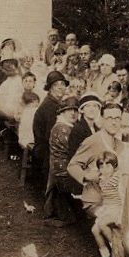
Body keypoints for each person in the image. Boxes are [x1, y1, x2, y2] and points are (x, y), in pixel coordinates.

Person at [67, 103, 126, 214]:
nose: (114, 122)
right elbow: (72, 165)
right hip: (95, 201)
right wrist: (86, 176)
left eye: (117, 118)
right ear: (102, 120)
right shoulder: (92, 141)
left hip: (113, 199)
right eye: (109, 118)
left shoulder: (120, 144)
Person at [45, 96, 80, 226]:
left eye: (75, 110)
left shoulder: (67, 126)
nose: (73, 113)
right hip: (62, 169)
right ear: (62, 112)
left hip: (60, 166)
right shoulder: (62, 128)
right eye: (69, 110)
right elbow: (74, 150)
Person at [32, 71, 68, 183]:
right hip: (45, 151)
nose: (60, 87)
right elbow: (51, 136)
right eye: (56, 85)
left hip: (45, 147)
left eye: (63, 84)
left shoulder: (53, 102)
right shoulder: (51, 106)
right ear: (50, 88)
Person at [92, 150, 122, 257]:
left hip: (117, 208)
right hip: (107, 207)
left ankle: (115, 247)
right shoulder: (101, 179)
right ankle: (105, 253)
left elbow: (122, 192)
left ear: (114, 166)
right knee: (94, 230)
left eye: (108, 166)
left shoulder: (117, 177)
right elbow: (104, 196)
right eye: (101, 166)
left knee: (102, 224)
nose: (105, 169)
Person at [68, 93, 102, 161]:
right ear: (82, 110)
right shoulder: (78, 129)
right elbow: (75, 156)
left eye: (95, 106)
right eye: (88, 106)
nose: (92, 109)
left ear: (98, 109)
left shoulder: (97, 129)